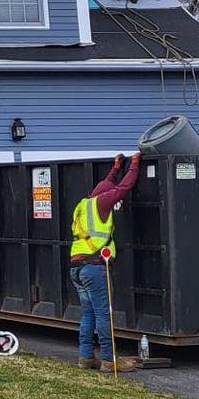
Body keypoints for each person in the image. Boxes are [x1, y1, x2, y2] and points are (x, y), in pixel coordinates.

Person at [71, 153, 142, 372]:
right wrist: (134, 164)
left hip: (77, 268)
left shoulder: (84, 204)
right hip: (94, 267)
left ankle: (86, 358)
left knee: (88, 314)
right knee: (103, 314)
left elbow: (106, 184)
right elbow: (124, 187)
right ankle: (110, 361)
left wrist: (116, 167)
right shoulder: (103, 203)